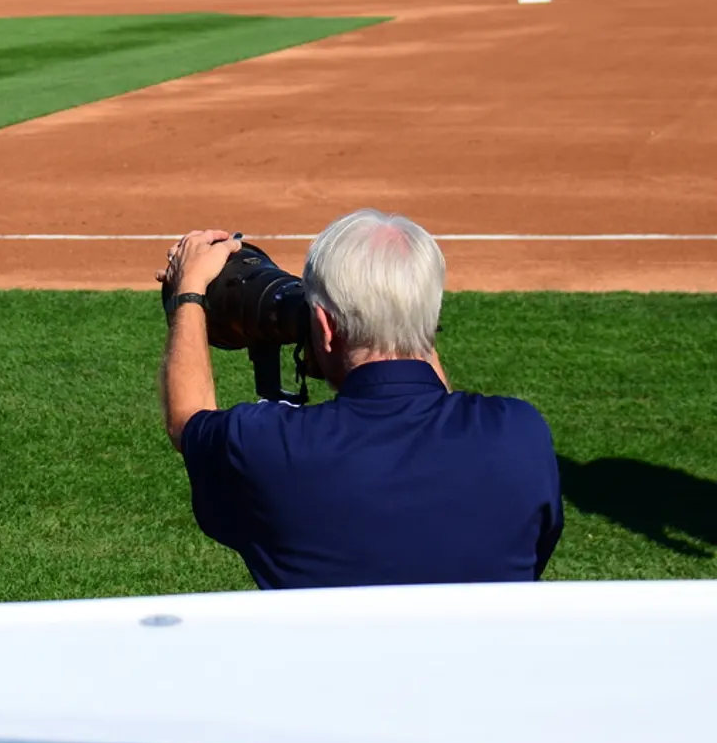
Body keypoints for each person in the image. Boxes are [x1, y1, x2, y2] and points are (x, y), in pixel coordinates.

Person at [155, 209, 564, 590]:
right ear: (432, 320)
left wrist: (188, 294)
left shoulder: (270, 448)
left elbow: (187, 421)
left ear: (324, 327)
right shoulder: (519, 433)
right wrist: (406, 318)